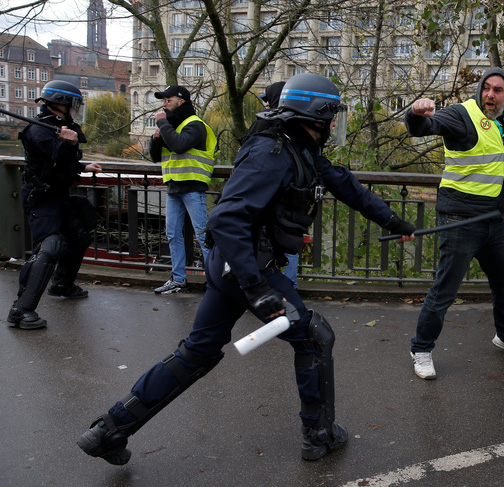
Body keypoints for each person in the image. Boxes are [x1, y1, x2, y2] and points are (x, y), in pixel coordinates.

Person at [77, 73, 415, 465]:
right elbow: (226, 220)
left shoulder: (298, 149)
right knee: (313, 336)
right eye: (332, 116)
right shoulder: (272, 154)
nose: (334, 124)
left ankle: (108, 430)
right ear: (316, 114)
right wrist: (257, 288)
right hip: (247, 268)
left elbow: (346, 186)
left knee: (197, 352)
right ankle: (318, 434)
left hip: (230, 268)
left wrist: (394, 222)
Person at [404, 67, 504, 380]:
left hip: (493, 217)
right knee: (445, 289)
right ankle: (421, 349)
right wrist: (416, 113)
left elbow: (498, 163)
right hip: (459, 219)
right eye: (487, 88)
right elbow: (423, 127)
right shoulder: (462, 115)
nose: (490, 94)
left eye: (498, 90)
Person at [7, 80, 101, 330]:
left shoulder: (58, 127)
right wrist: (68, 145)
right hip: (42, 197)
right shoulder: (39, 130)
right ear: (61, 103)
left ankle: (62, 284)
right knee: (50, 246)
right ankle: (21, 310)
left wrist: (82, 166)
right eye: (73, 105)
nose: (74, 110)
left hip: (58, 195)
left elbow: (64, 165)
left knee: (79, 236)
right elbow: (55, 160)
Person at [149, 85, 217, 294]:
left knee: (203, 235)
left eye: (168, 100)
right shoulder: (172, 127)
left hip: (192, 187)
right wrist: (155, 139)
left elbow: (180, 146)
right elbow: (155, 157)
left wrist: (161, 122)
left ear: (181, 101)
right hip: (174, 187)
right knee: (172, 234)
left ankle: (215, 282)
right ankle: (178, 279)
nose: (164, 104)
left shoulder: (195, 124)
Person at [249, 81, 300, 287]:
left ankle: (263, 281)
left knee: (263, 237)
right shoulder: (299, 123)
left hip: (265, 193)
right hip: (292, 192)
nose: (266, 106)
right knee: (289, 237)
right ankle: (289, 284)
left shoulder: (263, 123)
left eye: (267, 101)